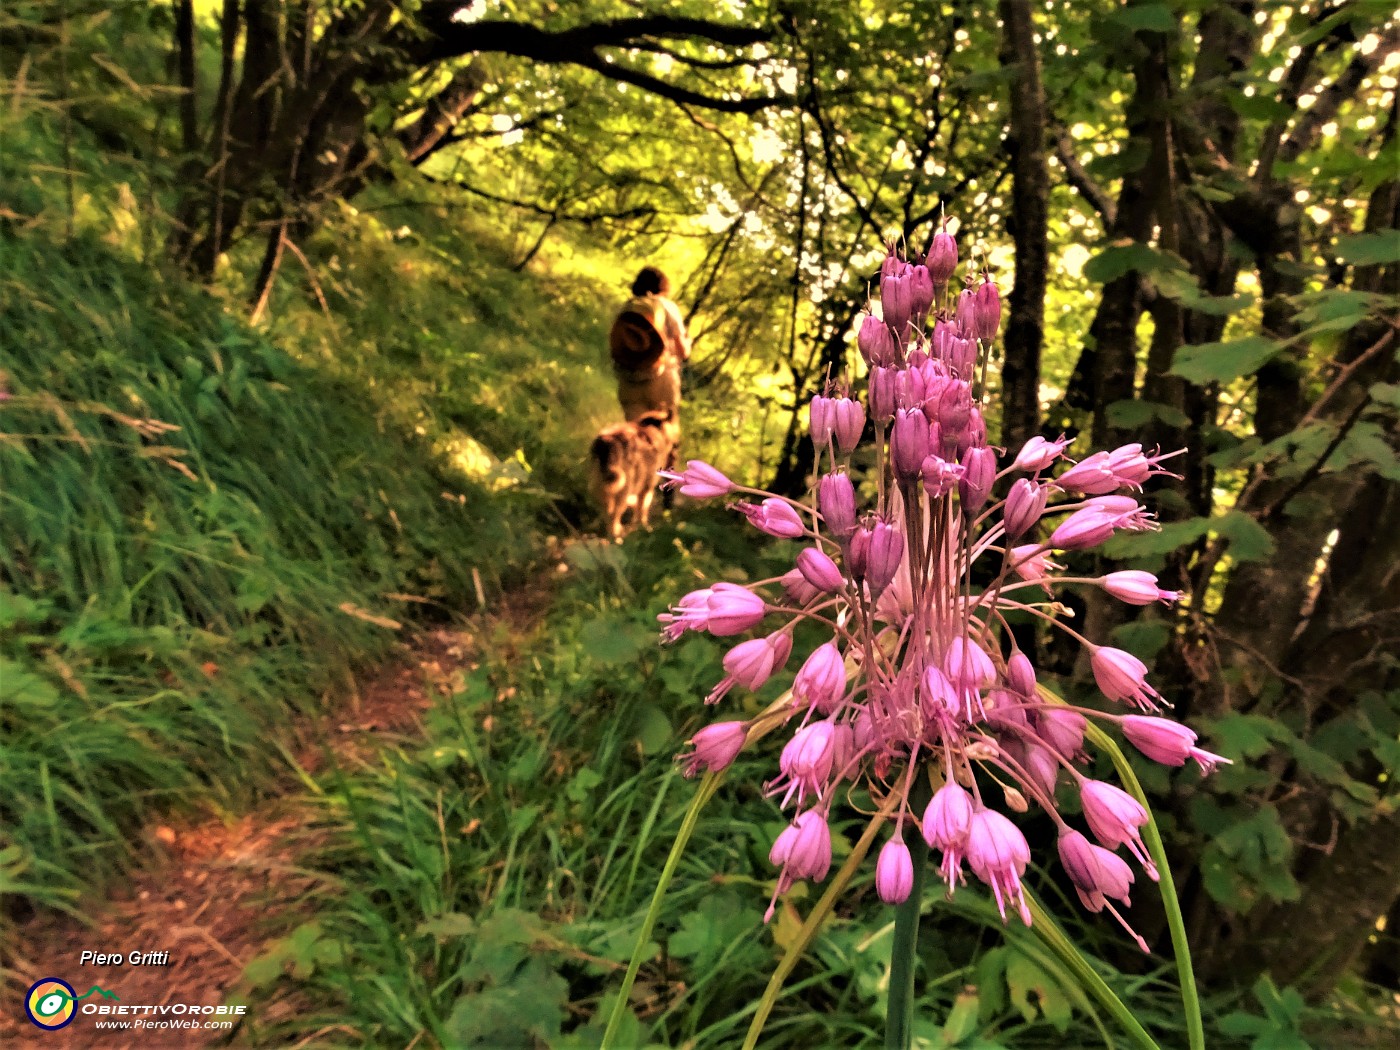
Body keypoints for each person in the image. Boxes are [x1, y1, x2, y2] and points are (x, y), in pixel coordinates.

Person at [612, 266, 691, 423]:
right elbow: (683, 351)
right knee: (663, 436)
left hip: (630, 379)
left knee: (636, 437)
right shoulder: (668, 307)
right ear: (662, 287)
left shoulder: (628, 307)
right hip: (662, 379)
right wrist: (688, 342)